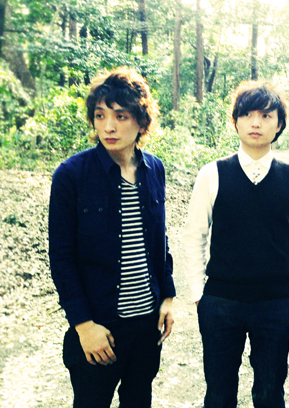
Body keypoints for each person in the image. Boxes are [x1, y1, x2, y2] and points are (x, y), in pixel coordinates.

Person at [48, 67, 176, 408]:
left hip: (146, 326)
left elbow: (159, 241)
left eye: (121, 116)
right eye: (100, 115)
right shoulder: (71, 175)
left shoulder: (154, 169)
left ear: (141, 121)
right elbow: (61, 258)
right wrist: (83, 325)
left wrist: (167, 296)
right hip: (99, 326)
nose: (108, 126)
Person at [181, 81, 289, 408]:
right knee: (219, 393)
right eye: (248, 114)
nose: (256, 123)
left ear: (279, 124)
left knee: (270, 392)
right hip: (220, 302)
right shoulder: (212, 174)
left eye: (266, 116)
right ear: (235, 121)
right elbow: (194, 235)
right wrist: (198, 293)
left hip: (275, 303)